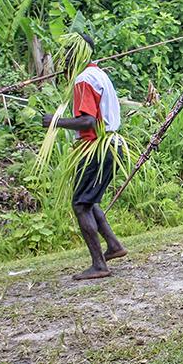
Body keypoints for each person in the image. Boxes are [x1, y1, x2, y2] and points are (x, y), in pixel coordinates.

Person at [41, 33, 127, 280]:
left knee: (80, 205)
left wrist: (55, 121)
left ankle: (99, 265)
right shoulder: (99, 74)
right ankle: (113, 246)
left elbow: (88, 120)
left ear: (77, 54)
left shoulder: (84, 79)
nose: (63, 58)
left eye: (67, 53)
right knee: (89, 201)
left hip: (96, 148)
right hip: (110, 145)